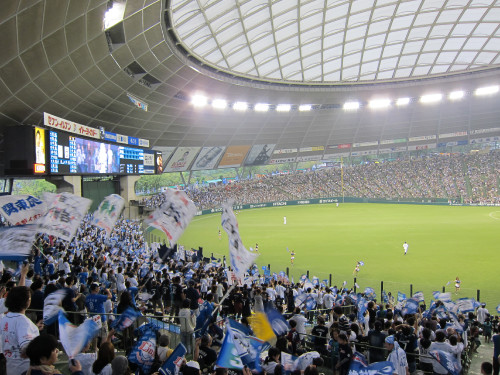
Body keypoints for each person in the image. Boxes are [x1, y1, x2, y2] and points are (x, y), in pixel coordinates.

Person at [0, 286, 42, 375]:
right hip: (24, 369)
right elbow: (26, 348)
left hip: (10, 367)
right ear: (27, 301)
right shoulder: (23, 322)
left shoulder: (5, 318)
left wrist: (34, 328)